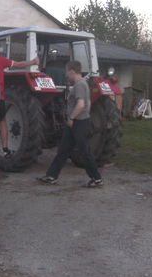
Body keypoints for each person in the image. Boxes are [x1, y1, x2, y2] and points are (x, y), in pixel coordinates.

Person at [38, 60, 103, 188]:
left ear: (72, 71)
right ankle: (51, 176)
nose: (66, 74)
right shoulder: (81, 84)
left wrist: (71, 118)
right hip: (75, 123)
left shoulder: (79, 85)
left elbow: (81, 104)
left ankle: (96, 178)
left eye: (67, 72)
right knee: (63, 150)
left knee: (85, 151)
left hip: (79, 123)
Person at [0, 40, 39, 156]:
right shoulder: (0, 60)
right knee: (2, 121)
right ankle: (5, 148)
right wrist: (33, 61)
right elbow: (18, 64)